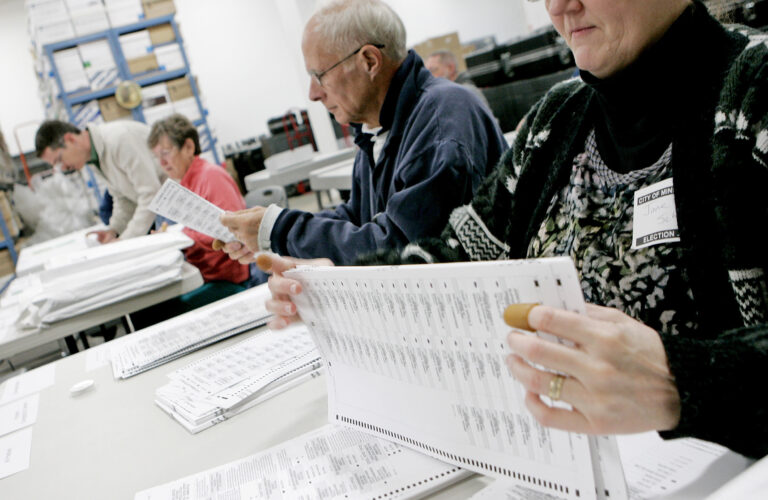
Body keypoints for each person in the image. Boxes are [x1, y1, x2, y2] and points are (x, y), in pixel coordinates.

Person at [259, 0, 768, 460]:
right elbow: (458, 252)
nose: (561, 6)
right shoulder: (557, 118)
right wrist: (344, 286)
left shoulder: (754, 92)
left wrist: (679, 380)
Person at [219, 0, 506, 266]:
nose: (313, 93)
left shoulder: (441, 119)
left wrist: (281, 229)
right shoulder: (376, 127)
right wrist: (269, 236)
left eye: (320, 75)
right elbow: (358, 218)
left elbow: (402, 251)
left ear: (369, 60)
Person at [129, 114, 250, 329]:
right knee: (145, 307)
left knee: (151, 314)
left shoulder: (210, 177)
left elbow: (232, 234)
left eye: (166, 153)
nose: (162, 163)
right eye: (157, 156)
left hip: (224, 279)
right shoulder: (188, 181)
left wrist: (181, 237)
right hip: (204, 274)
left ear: (188, 146)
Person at [35, 120, 165, 242]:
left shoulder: (119, 139)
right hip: (161, 208)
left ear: (70, 139)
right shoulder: (93, 157)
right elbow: (123, 199)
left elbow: (150, 193)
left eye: (59, 160)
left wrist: (125, 240)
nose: (63, 168)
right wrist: (114, 230)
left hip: (175, 203)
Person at [425, 49, 490, 108]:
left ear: (450, 68)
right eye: (427, 72)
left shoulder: (464, 93)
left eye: (433, 70)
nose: (430, 76)